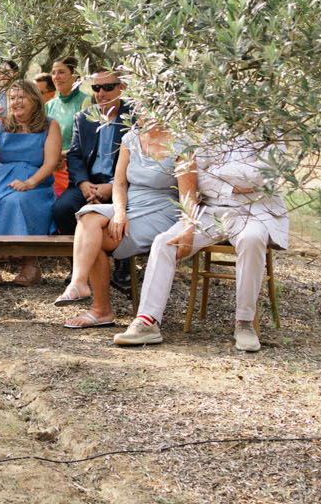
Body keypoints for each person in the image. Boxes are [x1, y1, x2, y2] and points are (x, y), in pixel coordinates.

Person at [116, 135, 288, 351]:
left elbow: (263, 177)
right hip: (211, 210)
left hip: (255, 211)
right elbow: (198, 178)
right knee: (164, 242)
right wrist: (233, 185)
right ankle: (147, 322)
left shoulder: (271, 136)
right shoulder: (211, 133)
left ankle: (244, 323)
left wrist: (219, 174)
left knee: (251, 239)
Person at [65, 113, 198, 331]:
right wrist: (119, 212)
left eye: (145, 105)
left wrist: (189, 229)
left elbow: (187, 196)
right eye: (138, 105)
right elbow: (119, 184)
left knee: (94, 236)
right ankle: (79, 284)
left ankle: (101, 309)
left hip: (162, 211)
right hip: (129, 207)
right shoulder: (130, 138)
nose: (139, 112)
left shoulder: (181, 143)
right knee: (88, 217)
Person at [0, 81, 62, 285]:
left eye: (21, 97)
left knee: (18, 201)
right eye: (12, 98)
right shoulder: (1, 123)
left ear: (34, 99)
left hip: (36, 181)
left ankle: (30, 263)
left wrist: (30, 183)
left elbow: (51, 163)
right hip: (0, 178)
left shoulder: (50, 125)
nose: (16, 102)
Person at [53, 70, 134, 275]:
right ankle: (80, 264)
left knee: (126, 208)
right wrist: (82, 184)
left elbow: (139, 159)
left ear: (121, 88)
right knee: (62, 208)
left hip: (121, 183)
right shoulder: (83, 117)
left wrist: (113, 186)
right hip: (88, 182)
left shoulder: (134, 118)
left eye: (108, 87)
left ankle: (123, 261)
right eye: (97, 88)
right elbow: (74, 155)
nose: (101, 93)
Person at [45, 57, 89, 152]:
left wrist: (63, 155)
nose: (56, 77)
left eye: (61, 72)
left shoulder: (86, 102)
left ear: (75, 75)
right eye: (53, 73)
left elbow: (88, 142)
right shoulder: (49, 106)